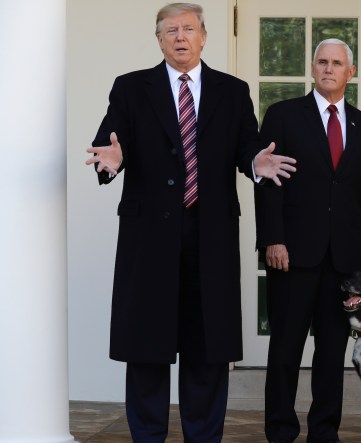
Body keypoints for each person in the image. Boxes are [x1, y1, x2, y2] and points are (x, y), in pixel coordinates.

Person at [84, 3, 296, 442]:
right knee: (147, 347)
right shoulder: (131, 88)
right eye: (170, 30)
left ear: (204, 36)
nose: (180, 37)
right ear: (158, 40)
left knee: (207, 347)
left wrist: (256, 162)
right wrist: (111, 159)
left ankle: (203, 436)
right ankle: (148, 436)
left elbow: (247, 148)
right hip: (149, 238)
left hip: (211, 234)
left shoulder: (232, 91)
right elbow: (109, 142)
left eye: (188, 28)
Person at [255, 38, 361, 443]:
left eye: (337, 64)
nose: (329, 69)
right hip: (292, 255)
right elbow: (268, 185)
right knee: (285, 351)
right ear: (312, 69)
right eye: (322, 62)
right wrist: (272, 240)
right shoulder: (282, 115)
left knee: (331, 355)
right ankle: (280, 431)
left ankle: (324, 433)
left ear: (351, 73)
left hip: (343, 261)